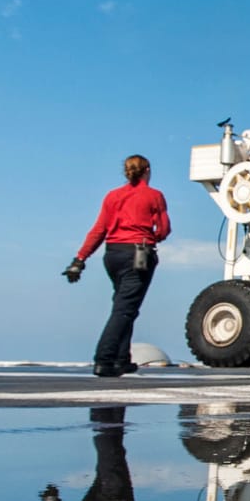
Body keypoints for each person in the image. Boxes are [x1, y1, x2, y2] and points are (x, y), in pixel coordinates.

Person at [64, 154, 170, 377]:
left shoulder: (113, 196)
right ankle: (104, 359)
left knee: (124, 305)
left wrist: (80, 259)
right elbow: (163, 230)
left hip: (112, 255)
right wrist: (150, 235)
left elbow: (99, 230)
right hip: (138, 255)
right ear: (147, 170)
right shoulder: (154, 196)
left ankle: (122, 359)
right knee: (124, 309)